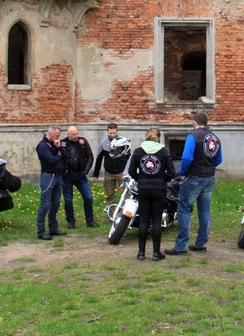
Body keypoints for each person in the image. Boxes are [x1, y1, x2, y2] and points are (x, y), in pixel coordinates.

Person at [165, 112, 222, 255]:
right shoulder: (214, 138)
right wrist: (209, 167)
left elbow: (186, 157)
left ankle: (181, 246)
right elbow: (219, 159)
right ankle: (201, 244)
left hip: (193, 177)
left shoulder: (193, 136)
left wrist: (183, 172)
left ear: (195, 123)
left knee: (184, 209)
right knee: (204, 210)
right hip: (209, 177)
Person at [126, 127, 175, 261]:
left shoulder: (137, 152)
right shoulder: (165, 152)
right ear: (159, 138)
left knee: (143, 220)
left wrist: (140, 178)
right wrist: (162, 179)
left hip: (143, 188)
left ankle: (141, 253)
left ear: (145, 137)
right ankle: (155, 253)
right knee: (157, 220)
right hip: (159, 188)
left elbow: (131, 172)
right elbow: (172, 172)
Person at [61, 126, 98, 228]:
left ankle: (90, 221)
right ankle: (71, 221)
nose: (76, 136)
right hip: (67, 176)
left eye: (77, 133)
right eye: (73, 134)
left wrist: (86, 170)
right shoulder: (62, 143)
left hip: (80, 175)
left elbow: (90, 156)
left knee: (88, 197)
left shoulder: (83, 142)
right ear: (68, 134)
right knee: (68, 199)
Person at [36, 125, 69, 240]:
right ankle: (41, 231)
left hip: (58, 176)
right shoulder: (42, 146)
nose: (58, 138)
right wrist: (59, 156)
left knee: (56, 203)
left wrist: (59, 148)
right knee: (45, 204)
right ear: (50, 134)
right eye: (56, 136)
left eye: (59, 136)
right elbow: (51, 160)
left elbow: (67, 156)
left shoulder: (56, 144)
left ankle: (53, 228)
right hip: (48, 177)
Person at [92, 122, 129, 207]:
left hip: (121, 172)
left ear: (117, 131)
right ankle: (110, 213)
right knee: (109, 195)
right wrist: (95, 174)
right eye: (110, 133)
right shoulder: (103, 143)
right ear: (107, 132)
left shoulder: (123, 142)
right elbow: (99, 159)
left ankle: (125, 213)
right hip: (109, 173)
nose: (112, 135)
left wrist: (128, 171)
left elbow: (128, 157)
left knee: (126, 194)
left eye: (114, 133)